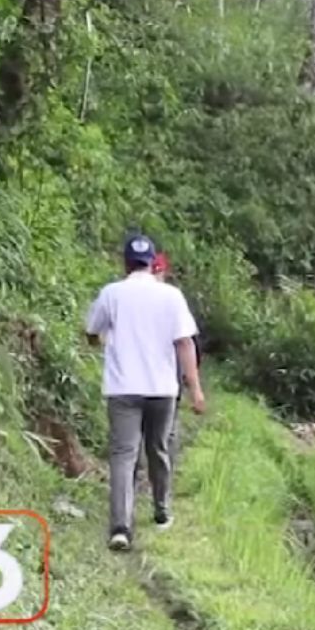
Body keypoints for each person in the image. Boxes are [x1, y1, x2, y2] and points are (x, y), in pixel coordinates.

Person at [85, 234, 205, 553]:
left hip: (123, 388)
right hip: (162, 389)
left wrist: (102, 341)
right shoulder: (171, 296)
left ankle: (121, 527)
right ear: (153, 263)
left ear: (125, 263)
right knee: (158, 448)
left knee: (124, 455)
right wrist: (195, 389)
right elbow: (184, 343)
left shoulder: (111, 294)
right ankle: (162, 510)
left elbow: (92, 332)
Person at [133, 253, 202, 493]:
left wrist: (191, 379)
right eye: (154, 271)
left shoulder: (171, 300)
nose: (156, 276)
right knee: (148, 431)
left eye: (159, 271)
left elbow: (188, 341)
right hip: (145, 375)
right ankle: (147, 480)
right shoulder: (144, 299)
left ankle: (161, 481)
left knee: (165, 432)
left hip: (169, 375)